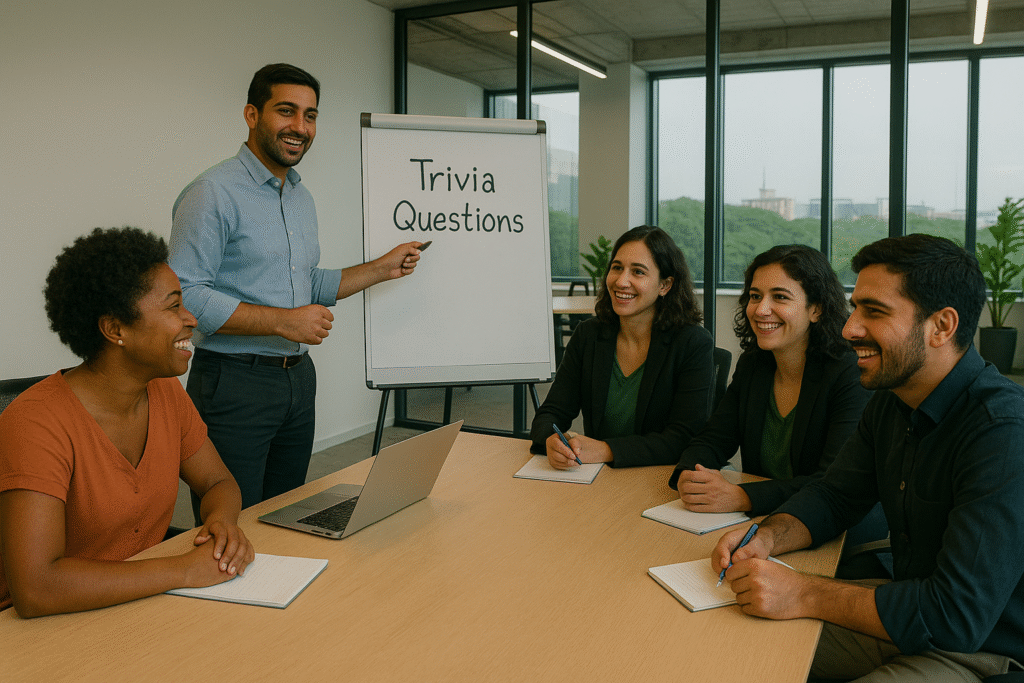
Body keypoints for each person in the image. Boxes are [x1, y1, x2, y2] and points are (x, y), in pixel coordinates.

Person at [712, 234, 1024, 681]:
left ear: (942, 326)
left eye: (873, 312)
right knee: (725, 640)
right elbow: (835, 496)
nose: (849, 328)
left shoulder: (1002, 432)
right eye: (854, 306)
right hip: (906, 608)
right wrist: (765, 537)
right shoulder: (892, 400)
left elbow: (955, 617)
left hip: (980, 650)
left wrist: (804, 593)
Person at [169, 63, 424, 513]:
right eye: (286, 111)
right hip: (234, 383)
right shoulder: (212, 193)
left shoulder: (298, 196)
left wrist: (382, 268)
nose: (300, 127)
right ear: (251, 115)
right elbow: (187, 295)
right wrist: (285, 322)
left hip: (297, 380)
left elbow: (307, 283)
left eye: (310, 116)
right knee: (233, 521)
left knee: (284, 513)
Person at [0, 227, 254, 617]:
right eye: (173, 306)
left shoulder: (165, 393)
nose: (190, 318)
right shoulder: (35, 423)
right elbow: (37, 588)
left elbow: (218, 482)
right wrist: (184, 569)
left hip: (141, 600)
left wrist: (222, 525)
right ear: (115, 329)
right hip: (42, 631)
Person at [669, 244, 872, 517]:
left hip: (829, 528)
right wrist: (689, 473)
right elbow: (714, 439)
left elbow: (832, 482)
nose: (761, 310)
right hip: (760, 521)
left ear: (816, 309)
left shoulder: (849, 373)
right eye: (755, 296)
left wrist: (743, 497)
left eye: (780, 297)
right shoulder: (755, 363)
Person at [530, 225, 714, 468]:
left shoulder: (692, 343)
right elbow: (551, 413)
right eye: (617, 268)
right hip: (597, 477)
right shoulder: (588, 335)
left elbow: (683, 438)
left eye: (638, 272)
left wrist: (607, 450)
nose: (621, 281)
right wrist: (552, 440)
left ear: (665, 285)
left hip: (656, 477)